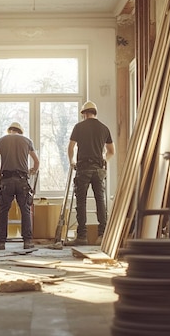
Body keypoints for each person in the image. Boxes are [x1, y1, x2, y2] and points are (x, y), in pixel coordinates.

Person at [66, 101, 115, 245]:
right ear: (95, 112)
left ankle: (82, 236)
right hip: (99, 169)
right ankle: (102, 235)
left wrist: (71, 161)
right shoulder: (104, 128)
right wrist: (104, 160)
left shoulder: (79, 127)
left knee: (81, 201)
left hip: (83, 168)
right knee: (100, 201)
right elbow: (112, 151)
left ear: (84, 114)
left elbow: (71, 147)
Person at [0, 122, 40, 250]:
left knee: (4, 210)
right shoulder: (27, 141)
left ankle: (1, 242)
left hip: (6, 180)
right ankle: (27, 241)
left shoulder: (1, 141)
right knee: (25, 210)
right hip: (22, 180)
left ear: (9, 131)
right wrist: (32, 170)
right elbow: (37, 161)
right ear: (20, 131)